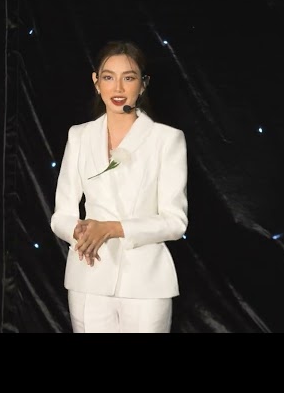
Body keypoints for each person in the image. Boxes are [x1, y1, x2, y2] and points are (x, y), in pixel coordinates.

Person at [50, 40, 189, 333]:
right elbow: (61, 215)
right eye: (108, 77)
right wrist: (80, 232)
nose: (118, 88)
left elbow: (175, 222)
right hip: (89, 276)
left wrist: (112, 228)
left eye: (128, 77)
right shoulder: (79, 136)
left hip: (146, 283)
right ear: (96, 82)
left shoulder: (166, 139)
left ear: (143, 84)